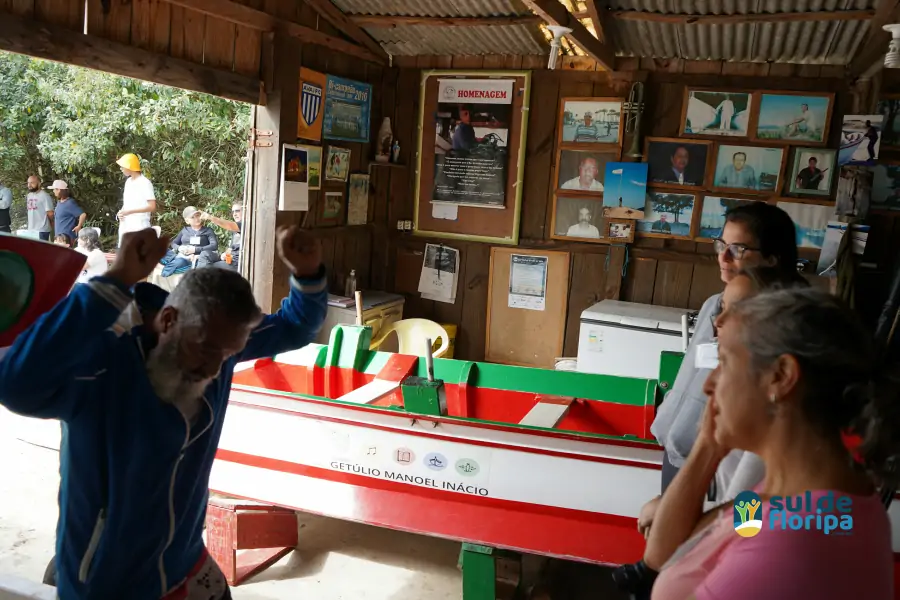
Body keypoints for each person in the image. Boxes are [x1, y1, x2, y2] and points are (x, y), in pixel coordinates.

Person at [0, 225, 327, 599]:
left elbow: (296, 326)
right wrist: (115, 280)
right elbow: (14, 385)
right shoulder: (102, 362)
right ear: (169, 321)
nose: (214, 369)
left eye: (228, 354)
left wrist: (307, 273)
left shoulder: (217, 341)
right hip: (107, 582)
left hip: (186, 561)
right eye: (205, 351)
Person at [646, 288, 895, 599]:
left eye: (724, 361)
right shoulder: (788, 495)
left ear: (781, 376)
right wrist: (710, 443)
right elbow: (668, 551)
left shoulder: (794, 540)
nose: (709, 384)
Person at [160, 206, 218, 277]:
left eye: (197, 215)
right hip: (181, 255)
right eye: (192, 217)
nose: (196, 219)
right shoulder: (185, 230)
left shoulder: (208, 230)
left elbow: (214, 245)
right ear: (187, 221)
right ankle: (171, 262)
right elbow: (174, 243)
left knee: (179, 262)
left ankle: (167, 269)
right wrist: (180, 248)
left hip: (195, 259)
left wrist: (195, 250)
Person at [116, 153, 157, 247]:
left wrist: (130, 211)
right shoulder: (128, 182)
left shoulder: (145, 183)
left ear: (129, 166)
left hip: (140, 225)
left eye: (122, 166)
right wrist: (121, 212)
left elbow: (152, 206)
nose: (121, 169)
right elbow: (127, 203)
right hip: (126, 225)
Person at [199, 203, 243, 272]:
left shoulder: (246, 224)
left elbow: (229, 225)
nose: (234, 214)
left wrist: (210, 217)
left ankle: (199, 280)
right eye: (233, 212)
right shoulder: (235, 231)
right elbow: (230, 248)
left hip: (238, 263)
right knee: (205, 254)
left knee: (209, 268)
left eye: (237, 211)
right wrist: (225, 254)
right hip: (231, 260)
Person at [50, 180, 86, 246]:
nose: (53, 191)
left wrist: (79, 226)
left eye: (55, 189)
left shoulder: (70, 203)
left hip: (67, 239)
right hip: (59, 238)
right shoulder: (59, 202)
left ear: (60, 190)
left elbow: (83, 214)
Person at [26, 175, 55, 241]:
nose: (29, 185)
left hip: (42, 229)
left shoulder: (45, 195)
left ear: (39, 183)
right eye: (28, 183)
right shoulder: (29, 195)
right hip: (31, 229)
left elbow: (50, 213)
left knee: (41, 250)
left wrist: (51, 222)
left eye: (32, 183)